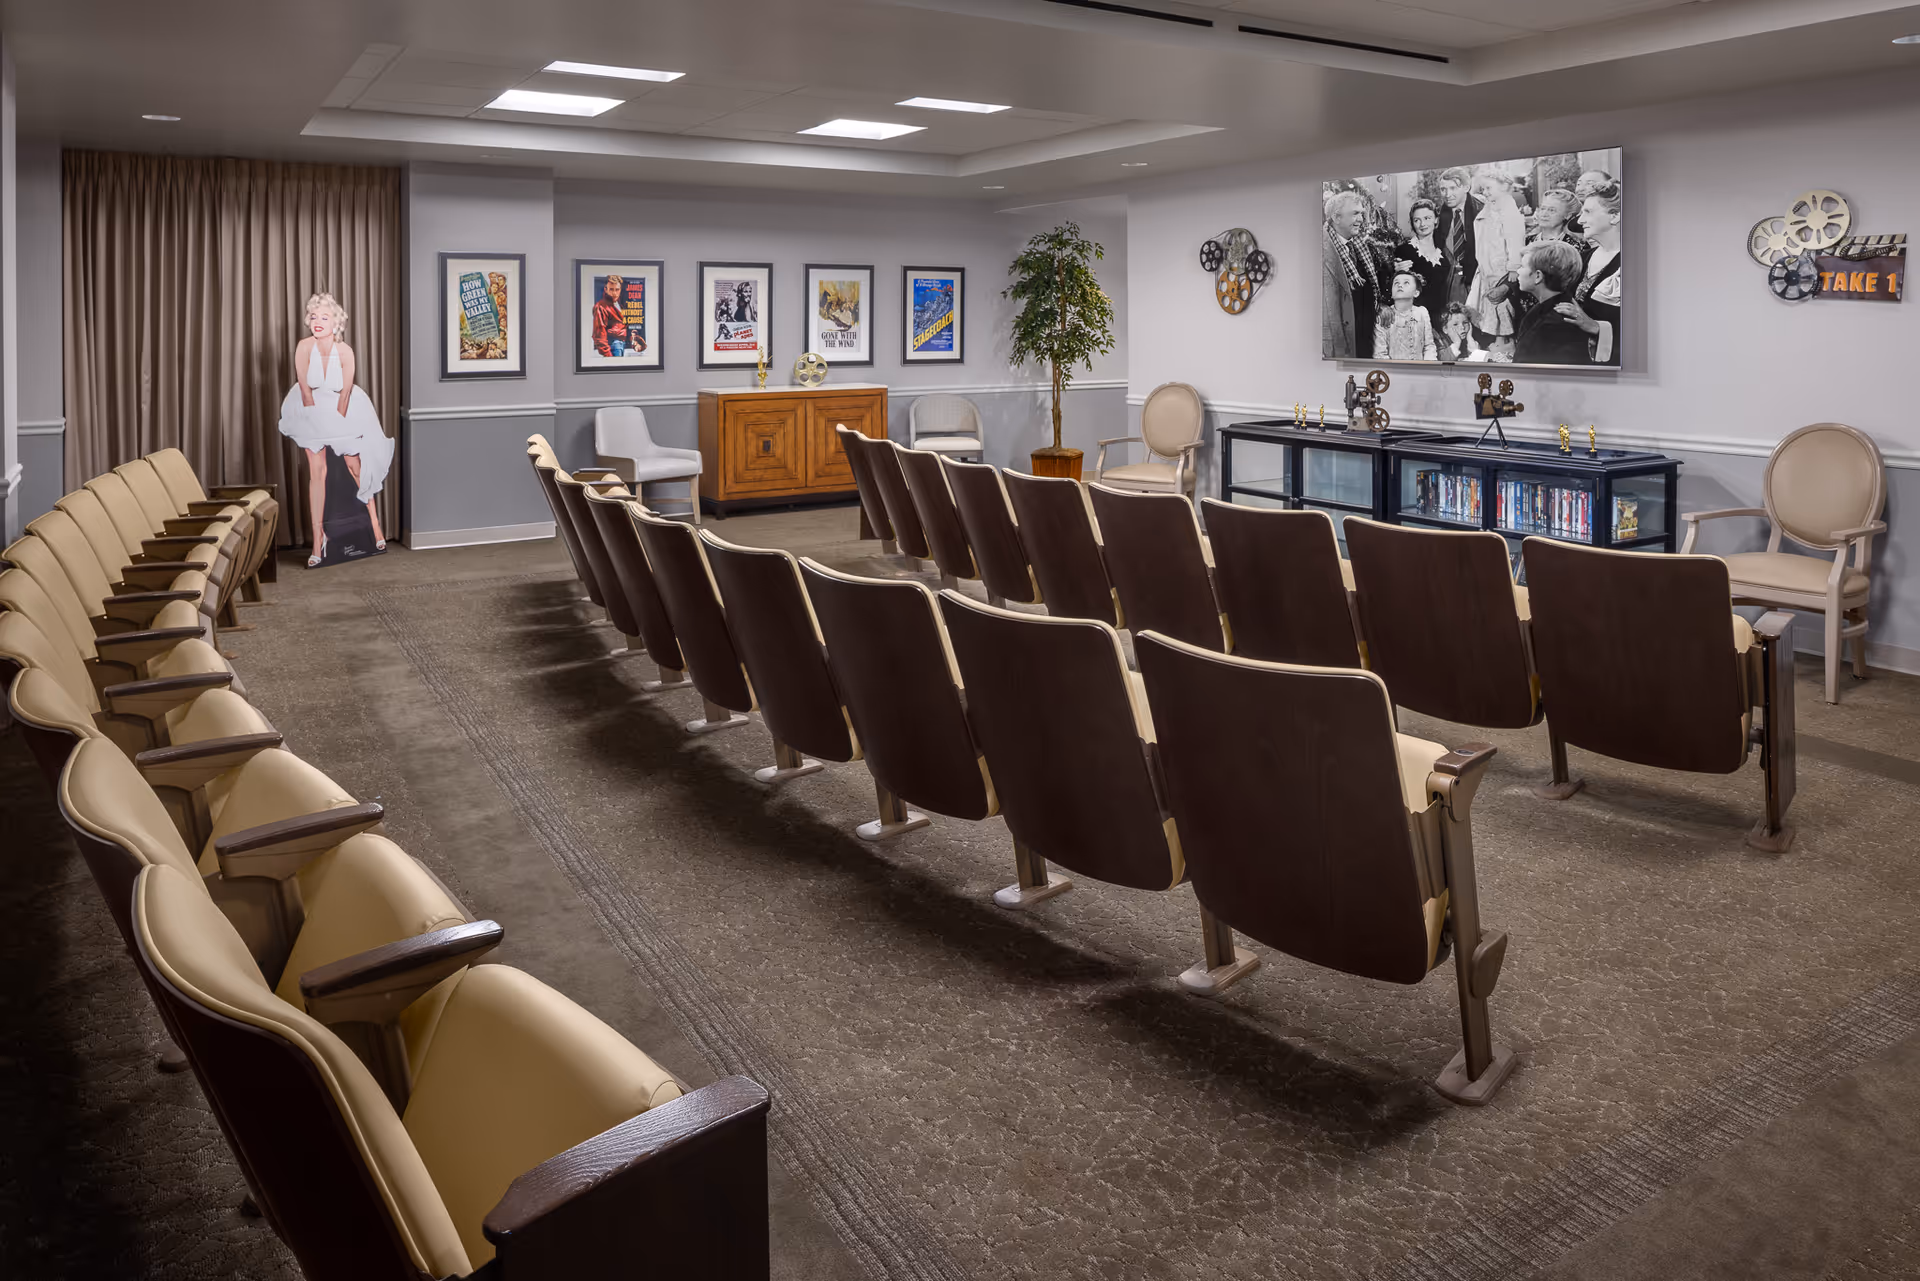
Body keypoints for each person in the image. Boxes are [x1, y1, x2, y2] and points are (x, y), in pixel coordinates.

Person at [276, 292, 393, 566]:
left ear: (336, 323)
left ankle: (375, 527)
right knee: (317, 473)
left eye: (324, 317)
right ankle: (318, 541)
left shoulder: (345, 351)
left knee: (355, 467)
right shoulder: (304, 347)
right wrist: (320, 429)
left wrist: (337, 429)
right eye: (314, 316)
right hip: (311, 411)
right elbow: (305, 391)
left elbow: (345, 394)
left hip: (343, 410)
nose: (317, 321)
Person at [1557, 178, 1623, 366]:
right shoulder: (1581, 257)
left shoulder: (1637, 264)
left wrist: (1595, 327)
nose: (1580, 220)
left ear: (1615, 216)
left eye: (1588, 212)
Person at [1322, 189, 1392, 358]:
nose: (1361, 219)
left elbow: (1371, 287)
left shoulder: (1361, 246)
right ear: (1336, 217)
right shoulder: (1321, 252)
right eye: (1355, 214)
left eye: (1361, 213)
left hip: (1366, 340)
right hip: (1342, 346)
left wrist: (1379, 305)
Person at [1510, 241, 1604, 366]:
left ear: (1538, 276)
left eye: (1522, 266)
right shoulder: (1549, 309)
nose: (1518, 271)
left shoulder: (1553, 324)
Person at [1467, 170, 1527, 341]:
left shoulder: (1509, 211)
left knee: (1500, 307)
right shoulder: (1489, 208)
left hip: (1501, 267)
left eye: (1489, 188)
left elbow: (1515, 241)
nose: (1485, 192)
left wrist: (1514, 267)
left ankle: (1503, 342)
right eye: (1483, 189)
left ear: (1504, 187)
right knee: (1485, 306)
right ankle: (1493, 341)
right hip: (1486, 265)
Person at [1392, 198, 1451, 341]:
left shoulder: (1444, 253)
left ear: (1436, 220)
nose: (1422, 224)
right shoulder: (1404, 251)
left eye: (1427, 218)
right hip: (1414, 321)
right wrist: (1395, 272)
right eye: (1417, 220)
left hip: (1440, 319)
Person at [1433, 167, 1481, 311]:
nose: (1447, 195)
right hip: (1448, 282)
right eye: (1443, 189)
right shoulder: (1437, 215)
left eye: (1453, 188)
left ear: (1466, 187)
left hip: (1476, 280)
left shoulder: (1482, 212)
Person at [1373, 270, 1437, 361]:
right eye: (1396, 283)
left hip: (1421, 368)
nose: (1400, 285)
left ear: (1416, 293)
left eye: (1406, 283)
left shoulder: (1422, 312)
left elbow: (1429, 346)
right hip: (1393, 368)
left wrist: (1428, 365)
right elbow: (1380, 354)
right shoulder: (1384, 316)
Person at [1530, 189, 1594, 263]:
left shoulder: (1575, 248)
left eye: (1552, 210)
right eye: (1542, 208)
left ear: (1567, 215)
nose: (1544, 214)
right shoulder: (1526, 241)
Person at [591, 274, 633, 358]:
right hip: (613, 346)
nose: (614, 293)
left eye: (617, 289)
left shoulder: (618, 303)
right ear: (605, 289)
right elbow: (599, 334)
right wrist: (608, 355)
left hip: (620, 344)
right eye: (611, 289)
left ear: (620, 289)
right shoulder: (601, 307)